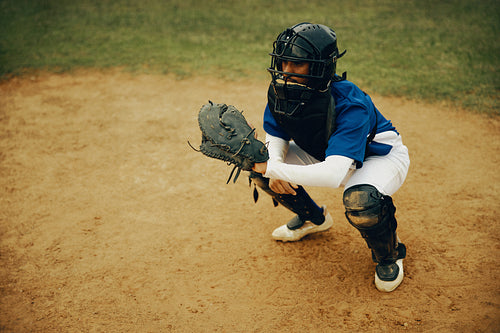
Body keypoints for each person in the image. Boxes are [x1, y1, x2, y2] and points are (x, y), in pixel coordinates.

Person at [250, 22, 410, 292]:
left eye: (296, 64)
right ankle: (314, 218)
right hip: (324, 151)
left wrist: (273, 169)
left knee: (361, 200)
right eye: (283, 61)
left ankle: (389, 255)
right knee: (259, 168)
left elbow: (334, 173)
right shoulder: (281, 92)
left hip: (378, 157)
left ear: (320, 66)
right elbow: (275, 141)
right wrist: (272, 168)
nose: (286, 71)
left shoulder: (350, 103)